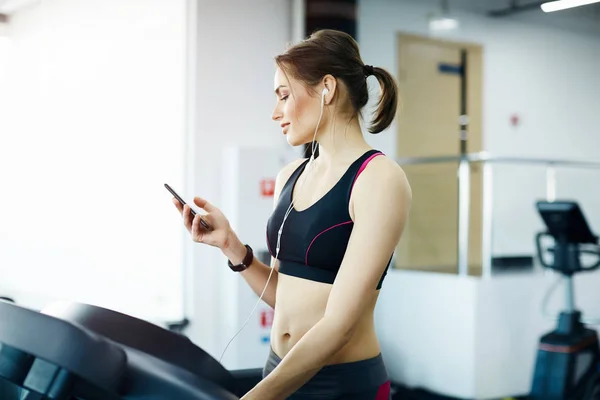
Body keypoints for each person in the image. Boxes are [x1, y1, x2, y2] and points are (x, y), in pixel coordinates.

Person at [172, 29, 412, 400]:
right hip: (279, 371)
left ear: (327, 89)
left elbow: (339, 325)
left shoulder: (379, 179)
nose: (275, 113)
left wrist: (256, 398)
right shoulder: (290, 176)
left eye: (284, 96)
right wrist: (230, 245)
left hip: (341, 386)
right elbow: (286, 294)